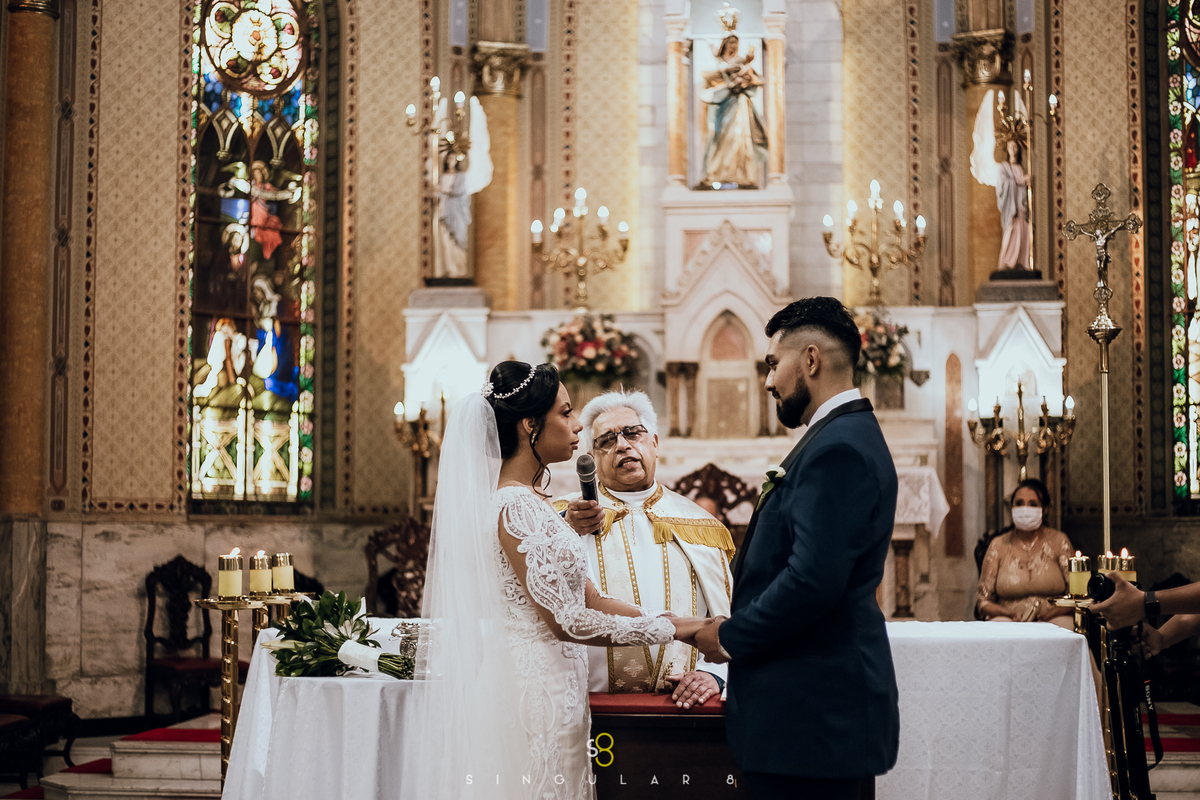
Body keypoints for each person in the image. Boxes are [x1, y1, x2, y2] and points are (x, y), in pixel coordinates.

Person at [397, 361, 707, 799]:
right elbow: (566, 621)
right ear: (530, 426)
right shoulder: (514, 506)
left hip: (558, 688)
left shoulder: (536, 505)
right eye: (565, 413)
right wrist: (675, 629)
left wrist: (679, 622)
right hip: (532, 691)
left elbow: (591, 598)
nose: (577, 423)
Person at [686, 297, 900, 800]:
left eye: (772, 364)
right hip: (812, 717)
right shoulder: (839, 436)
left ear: (810, 360)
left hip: (813, 718)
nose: (766, 381)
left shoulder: (838, 447)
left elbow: (812, 581)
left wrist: (732, 636)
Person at [558, 389, 735, 709]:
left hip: (683, 711)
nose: (622, 444)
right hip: (585, 704)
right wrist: (563, 525)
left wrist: (714, 674)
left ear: (654, 441)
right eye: (606, 440)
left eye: (632, 433)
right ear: (592, 459)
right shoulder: (567, 517)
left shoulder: (701, 526)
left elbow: (727, 617)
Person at [975, 478, 1075, 627]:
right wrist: (1008, 614)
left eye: (1033, 504)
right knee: (997, 631)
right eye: (1019, 503)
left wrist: (1049, 615)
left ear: (1045, 509)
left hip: (1054, 619)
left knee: (1066, 633)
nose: (1025, 508)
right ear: (1011, 507)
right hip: (1009, 620)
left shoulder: (1059, 541)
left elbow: (1076, 595)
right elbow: (983, 602)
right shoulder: (998, 544)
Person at [699, 33, 768, 188]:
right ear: (724, 44)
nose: (733, 46)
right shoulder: (716, 62)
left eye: (736, 43)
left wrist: (744, 79)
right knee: (718, 138)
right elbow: (707, 78)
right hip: (720, 106)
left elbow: (758, 80)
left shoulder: (741, 63)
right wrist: (726, 75)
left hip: (738, 106)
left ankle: (741, 176)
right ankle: (715, 174)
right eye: (730, 42)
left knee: (738, 139)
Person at [996, 139, 1030, 270]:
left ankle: (1022, 262)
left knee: (1024, 232)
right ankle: (1007, 263)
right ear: (1007, 149)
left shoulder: (1021, 167)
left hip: (1023, 207)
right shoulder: (1004, 167)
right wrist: (1022, 180)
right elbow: (1003, 185)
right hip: (1012, 208)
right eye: (1010, 146)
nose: (1013, 149)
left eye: (1015, 146)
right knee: (1012, 233)